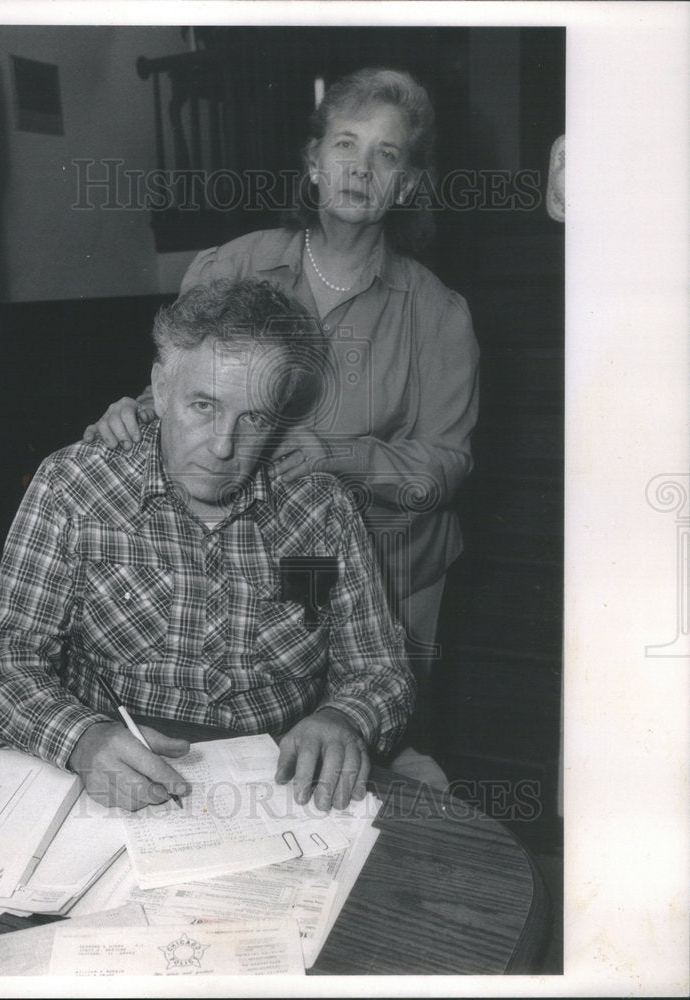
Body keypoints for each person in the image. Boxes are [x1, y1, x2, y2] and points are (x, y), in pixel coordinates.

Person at [84, 68, 479, 749]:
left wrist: (339, 456)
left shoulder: (437, 313)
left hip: (388, 564)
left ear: (408, 184)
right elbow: (184, 391)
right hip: (243, 556)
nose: (360, 168)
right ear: (314, 164)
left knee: (359, 746)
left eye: (387, 154)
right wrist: (133, 412)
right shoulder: (231, 266)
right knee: (251, 746)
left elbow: (445, 465)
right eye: (346, 145)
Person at [0, 278, 416, 814]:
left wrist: (344, 717)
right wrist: (80, 738)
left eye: (254, 419)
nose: (224, 446)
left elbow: (380, 669)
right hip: (114, 784)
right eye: (203, 405)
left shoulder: (321, 511)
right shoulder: (76, 487)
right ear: (159, 388)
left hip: (276, 793)